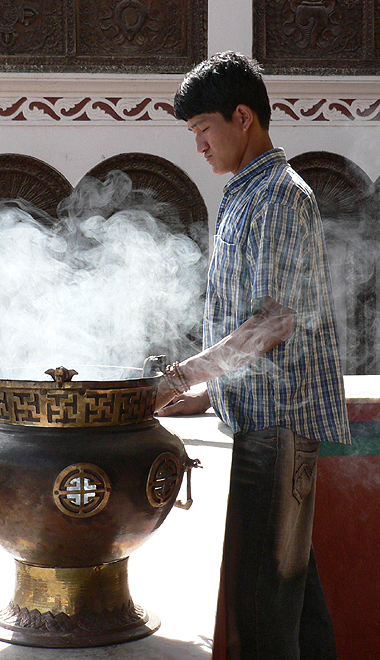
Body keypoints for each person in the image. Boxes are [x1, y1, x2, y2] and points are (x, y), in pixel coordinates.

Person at [155, 51, 350, 660]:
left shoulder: (281, 197)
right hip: (254, 425)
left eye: (203, 130)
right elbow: (247, 321)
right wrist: (208, 391)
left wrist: (182, 374)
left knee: (265, 614)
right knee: (292, 603)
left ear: (243, 117)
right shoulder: (243, 193)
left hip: (278, 433)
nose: (200, 147)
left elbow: (275, 321)